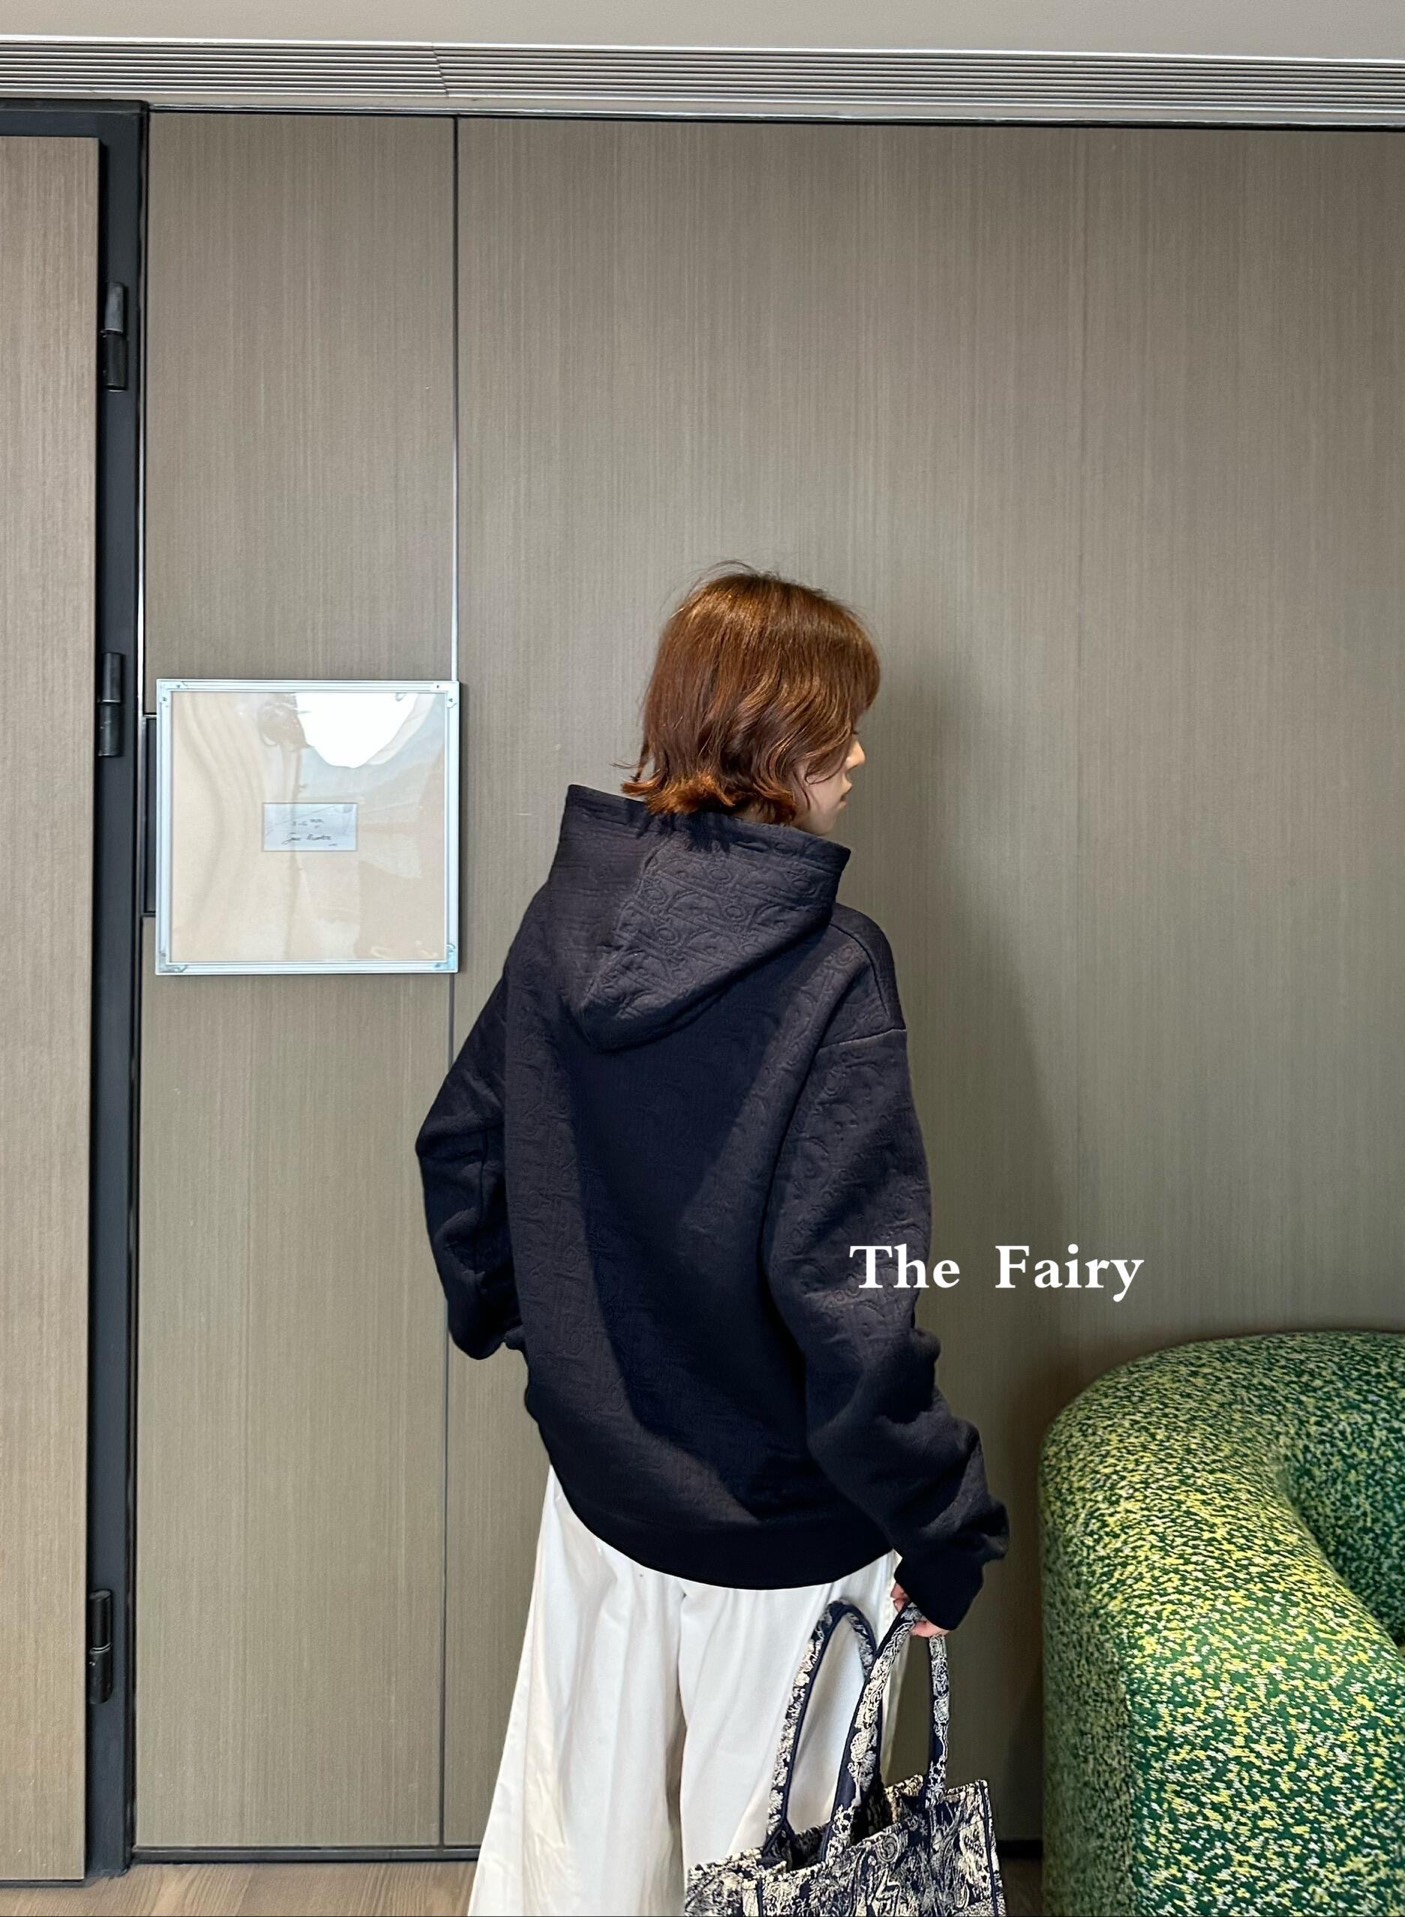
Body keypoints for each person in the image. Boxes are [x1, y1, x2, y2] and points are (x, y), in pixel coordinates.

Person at [414, 563, 1010, 1917]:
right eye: (838, 728)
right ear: (769, 740)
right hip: (786, 1540)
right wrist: (945, 1529)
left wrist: (554, 1347)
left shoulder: (564, 919)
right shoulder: (833, 967)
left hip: (600, 1507)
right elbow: (850, 1305)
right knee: (776, 1883)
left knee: (584, 1874)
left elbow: (462, 1154)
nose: (859, 756)